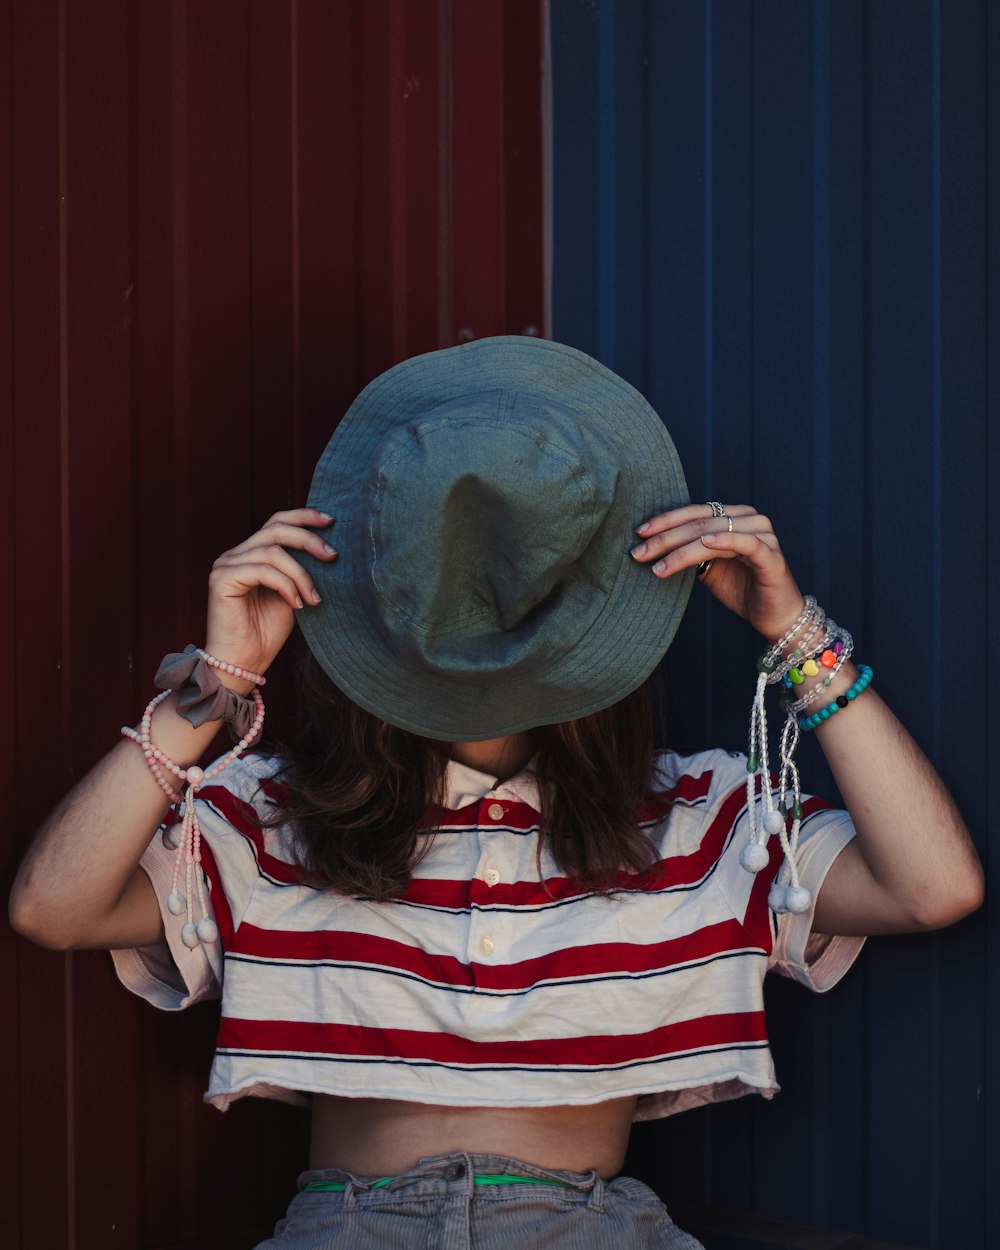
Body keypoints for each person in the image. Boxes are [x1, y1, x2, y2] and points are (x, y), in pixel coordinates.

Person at [10, 337, 983, 1250]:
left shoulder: (698, 815)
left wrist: (795, 632)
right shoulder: (273, 813)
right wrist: (214, 685)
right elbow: (54, 905)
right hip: (349, 1226)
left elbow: (930, 884)